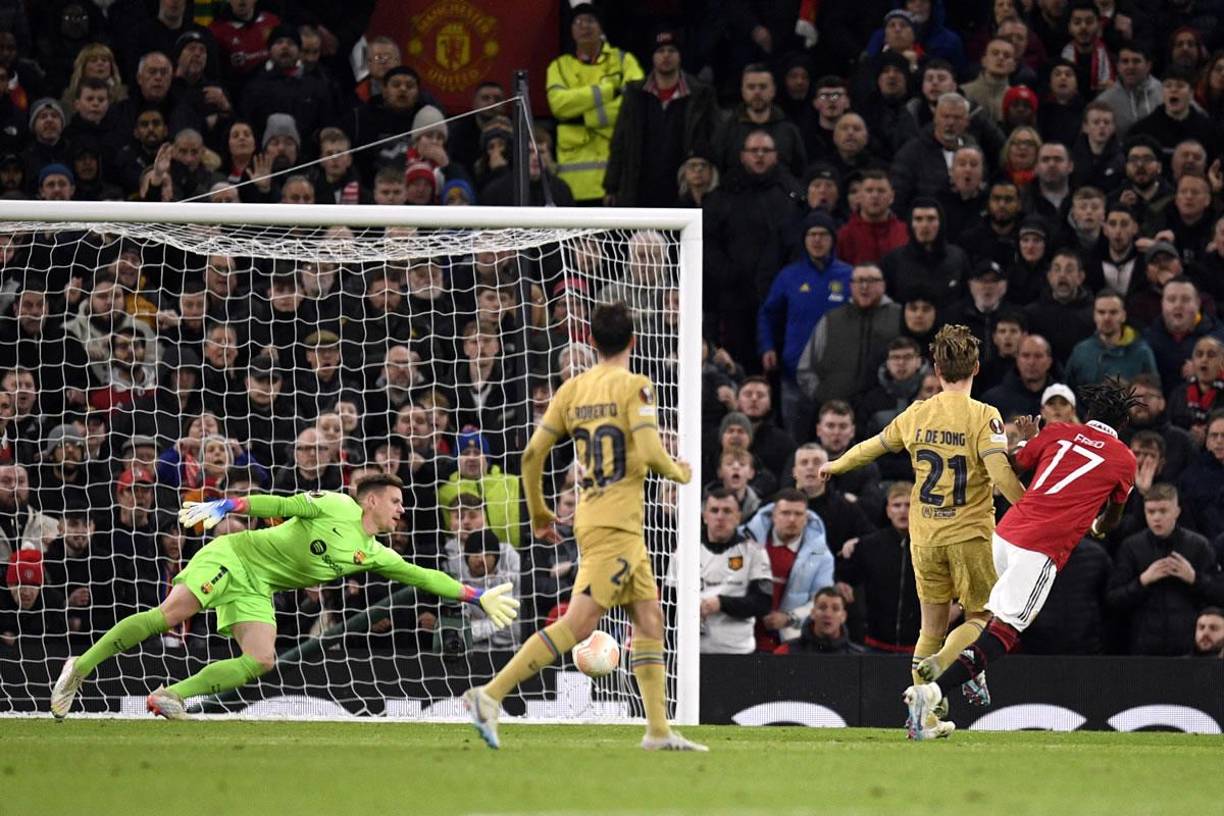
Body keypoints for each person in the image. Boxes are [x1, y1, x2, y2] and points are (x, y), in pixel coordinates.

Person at [50, 473, 519, 719]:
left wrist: (476, 595)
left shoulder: (374, 552)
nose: (402, 510)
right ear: (371, 500)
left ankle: (171, 695)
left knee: (261, 659)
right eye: (396, 502)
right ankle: (80, 669)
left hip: (259, 585)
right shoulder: (336, 504)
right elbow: (281, 504)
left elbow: (422, 576)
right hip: (234, 553)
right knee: (171, 614)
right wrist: (227, 504)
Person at [462, 302, 703, 752]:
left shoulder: (573, 387)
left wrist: (537, 511)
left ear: (591, 342)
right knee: (579, 622)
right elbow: (651, 451)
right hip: (615, 525)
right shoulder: (636, 386)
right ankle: (489, 695)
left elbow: (532, 455)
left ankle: (657, 730)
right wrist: (680, 472)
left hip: (602, 519)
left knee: (650, 619)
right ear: (634, 341)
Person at [819, 324, 1026, 738]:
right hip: (968, 533)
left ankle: (923, 717)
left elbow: (873, 446)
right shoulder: (984, 416)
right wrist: (1030, 506)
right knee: (982, 617)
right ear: (977, 367)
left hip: (924, 537)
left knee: (930, 627)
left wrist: (836, 465)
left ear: (936, 367)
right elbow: (1000, 474)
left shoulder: (917, 412)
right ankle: (940, 670)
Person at [905, 379, 1141, 737]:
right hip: (1040, 549)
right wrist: (1097, 525)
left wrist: (1030, 441)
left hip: (1005, 532)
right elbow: (1113, 517)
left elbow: (1012, 466)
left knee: (983, 614)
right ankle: (934, 691)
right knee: (1007, 630)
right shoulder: (1124, 458)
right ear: (1123, 424)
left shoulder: (1059, 431)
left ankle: (964, 669)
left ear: (1089, 413)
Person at [1106, 482, 1224, 655]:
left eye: (1163, 511)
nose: (1156, 518)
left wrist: (1194, 578)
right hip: (1143, 647)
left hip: (1188, 649)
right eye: (1151, 512)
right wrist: (1143, 580)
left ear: (1177, 511)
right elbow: (1113, 599)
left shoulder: (1198, 545)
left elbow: (1219, 593)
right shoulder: (1131, 547)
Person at [696, 488, 771, 655]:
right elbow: (670, 601)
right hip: (693, 655)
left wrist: (722, 603)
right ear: (705, 516)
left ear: (738, 517)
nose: (720, 517)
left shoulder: (755, 552)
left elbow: (763, 603)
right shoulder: (685, 552)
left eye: (727, 511)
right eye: (714, 511)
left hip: (738, 653)